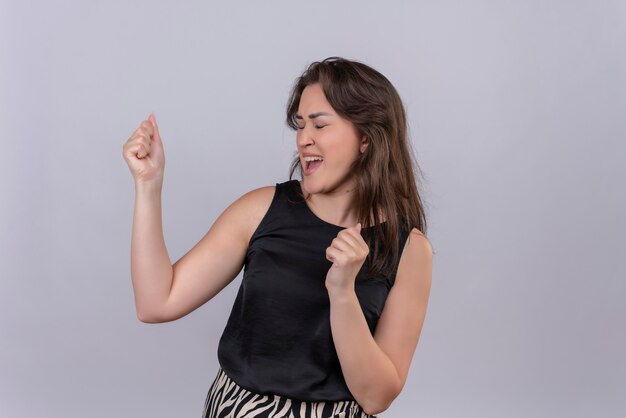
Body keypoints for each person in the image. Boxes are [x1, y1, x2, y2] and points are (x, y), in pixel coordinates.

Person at [122, 56, 433, 418]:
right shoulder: (262, 209)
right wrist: (148, 184)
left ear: (366, 137)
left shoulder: (409, 250)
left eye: (319, 124)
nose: (304, 139)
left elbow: (377, 397)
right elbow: (156, 302)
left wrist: (343, 293)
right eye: (300, 126)